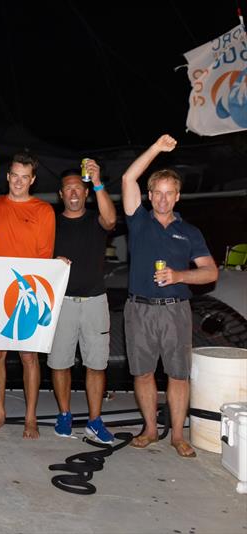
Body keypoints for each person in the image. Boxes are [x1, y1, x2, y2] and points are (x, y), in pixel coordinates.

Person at [121, 134, 218, 458]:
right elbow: (127, 177)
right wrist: (155, 149)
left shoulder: (190, 232)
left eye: (169, 194)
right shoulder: (138, 221)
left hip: (176, 309)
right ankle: (150, 429)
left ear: (177, 197)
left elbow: (210, 271)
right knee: (143, 372)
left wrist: (179, 275)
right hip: (140, 309)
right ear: (149, 195)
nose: (162, 200)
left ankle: (178, 435)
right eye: (157, 193)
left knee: (178, 374)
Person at [0, 152, 55, 439]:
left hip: (27, 289)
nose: (18, 181)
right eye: (14, 175)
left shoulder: (44, 210)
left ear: (32, 179)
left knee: (29, 356)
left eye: (24, 177)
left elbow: (45, 255)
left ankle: (31, 417)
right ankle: (0, 413)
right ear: (7, 177)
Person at [48, 162, 116, 444]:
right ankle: (64, 415)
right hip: (61, 302)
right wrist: (50, 262)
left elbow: (111, 220)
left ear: (86, 192)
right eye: (68, 188)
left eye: (79, 187)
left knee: (96, 364)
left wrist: (98, 181)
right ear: (61, 194)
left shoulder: (96, 220)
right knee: (60, 362)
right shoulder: (52, 222)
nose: (73, 191)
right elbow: (36, 254)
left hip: (95, 301)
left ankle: (94, 420)